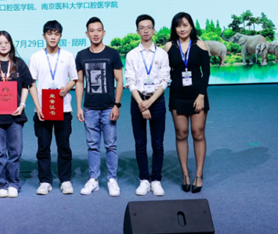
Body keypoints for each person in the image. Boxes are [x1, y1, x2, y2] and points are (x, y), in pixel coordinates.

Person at [0, 31, 33, 198]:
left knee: (15, 151)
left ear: (11, 44)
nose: (3, 45)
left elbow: (26, 85)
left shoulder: (19, 63)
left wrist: (22, 104)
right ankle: (1, 183)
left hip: (15, 115)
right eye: (0, 43)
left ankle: (14, 183)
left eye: (6, 42)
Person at [75, 17, 124, 197]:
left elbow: (120, 81)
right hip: (89, 108)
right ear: (87, 34)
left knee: (110, 145)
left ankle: (112, 179)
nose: (95, 34)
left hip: (108, 107)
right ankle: (93, 179)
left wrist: (116, 105)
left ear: (104, 32)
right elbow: (80, 82)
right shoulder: (81, 55)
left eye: (98, 30)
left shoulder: (112, 54)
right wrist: (79, 106)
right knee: (92, 145)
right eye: (92, 31)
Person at [28, 20, 78, 195]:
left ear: (60, 36)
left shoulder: (68, 56)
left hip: (63, 108)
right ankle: (45, 181)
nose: (53, 37)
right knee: (43, 147)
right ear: (44, 36)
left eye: (56, 34)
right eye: (49, 34)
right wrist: (38, 106)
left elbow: (75, 78)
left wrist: (67, 88)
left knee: (64, 146)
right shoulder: (36, 57)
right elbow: (31, 83)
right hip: (43, 110)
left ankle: (65, 180)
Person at [164, 12, 210, 193]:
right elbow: (163, 71)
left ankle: (198, 174)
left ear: (191, 26)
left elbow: (206, 72)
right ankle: (185, 174)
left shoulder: (200, 44)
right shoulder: (169, 46)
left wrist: (201, 95)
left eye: (185, 25)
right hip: (177, 95)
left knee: (198, 133)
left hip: (197, 95)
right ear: (174, 28)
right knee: (181, 134)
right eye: (178, 25)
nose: (182, 29)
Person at [124, 15, 171, 196]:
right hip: (138, 100)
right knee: (140, 143)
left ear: (153, 30)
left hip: (156, 101)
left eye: (149, 27)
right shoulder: (132, 55)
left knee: (158, 143)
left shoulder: (162, 54)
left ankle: (156, 179)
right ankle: (144, 179)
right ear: (137, 31)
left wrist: (149, 103)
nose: (145, 30)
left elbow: (165, 81)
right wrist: (141, 104)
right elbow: (130, 82)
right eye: (142, 27)